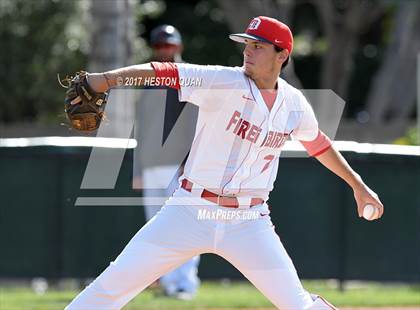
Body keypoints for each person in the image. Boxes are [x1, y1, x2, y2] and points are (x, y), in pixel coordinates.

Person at [66, 16, 384, 309]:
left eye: (257, 46)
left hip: (248, 222)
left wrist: (358, 185)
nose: (248, 51)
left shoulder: (294, 104)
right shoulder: (222, 81)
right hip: (188, 210)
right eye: (247, 44)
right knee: (113, 284)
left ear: (282, 55)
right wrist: (106, 80)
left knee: (297, 303)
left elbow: (318, 144)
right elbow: (163, 71)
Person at [134, 24, 200, 300]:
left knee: (185, 226)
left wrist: (193, 162)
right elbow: (142, 130)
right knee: (157, 229)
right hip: (152, 166)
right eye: (161, 46)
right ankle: (168, 284)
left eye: (169, 45)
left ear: (179, 47)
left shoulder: (191, 77)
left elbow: (198, 125)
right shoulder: (148, 81)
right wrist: (137, 169)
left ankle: (184, 284)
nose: (165, 50)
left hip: (180, 165)